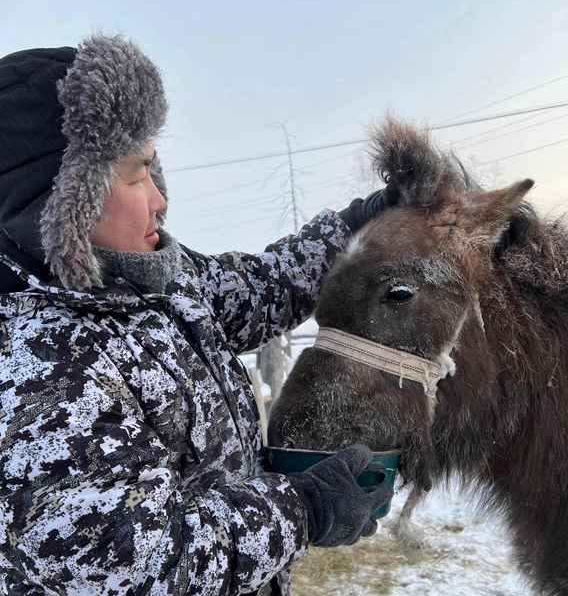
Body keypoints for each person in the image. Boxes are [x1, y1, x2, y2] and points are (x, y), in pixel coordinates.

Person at [0, 34, 401, 595]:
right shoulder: (37, 371)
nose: (161, 199)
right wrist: (306, 509)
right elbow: (144, 566)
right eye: (136, 173)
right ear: (64, 199)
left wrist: (364, 221)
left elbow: (260, 288)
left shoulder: (152, 277)